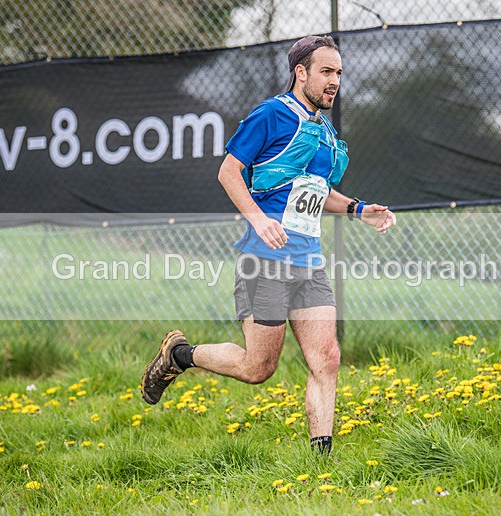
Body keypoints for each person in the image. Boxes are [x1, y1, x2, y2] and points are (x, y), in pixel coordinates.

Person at [141, 35, 396, 455]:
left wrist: (358, 209)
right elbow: (229, 172)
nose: (335, 81)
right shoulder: (273, 114)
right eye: (327, 72)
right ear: (301, 73)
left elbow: (316, 189)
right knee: (258, 367)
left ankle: (321, 462)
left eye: (339, 74)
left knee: (327, 359)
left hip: (308, 262)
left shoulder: (325, 131)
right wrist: (258, 219)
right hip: (265, 260)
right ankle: (179, 355)